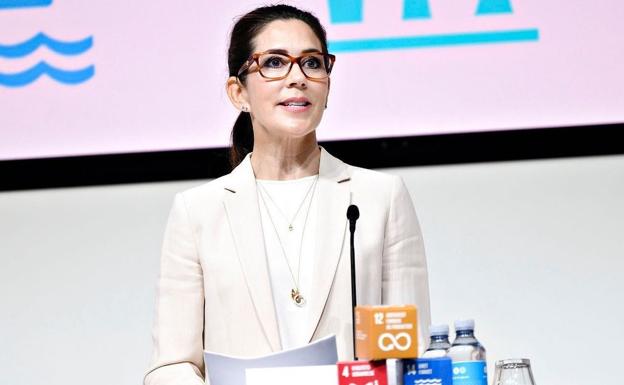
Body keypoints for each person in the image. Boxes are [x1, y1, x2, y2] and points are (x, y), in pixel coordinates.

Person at [144, 5, 431, 385]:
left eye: (312, 63)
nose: (298, 77)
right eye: (275, 63)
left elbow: (410, 354)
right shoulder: (198, 212)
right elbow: (171, 365)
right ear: (238, 92)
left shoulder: (380, 198)